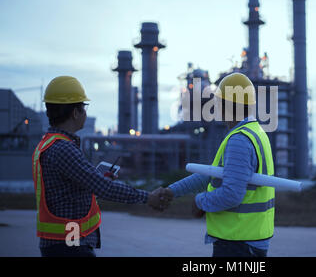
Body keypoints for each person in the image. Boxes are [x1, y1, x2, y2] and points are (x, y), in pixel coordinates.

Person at [32, 76, 171, 257]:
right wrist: (148, 197)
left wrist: (96, 183)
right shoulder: (64, 148)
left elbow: (66, 193)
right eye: (84, 108)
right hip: (70, 244)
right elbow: (105, 188)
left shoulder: (47, 144)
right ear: (75, 112)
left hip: (62, 242)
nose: (85, 113)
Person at [159, 72, 275, 257]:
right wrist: (172, 191)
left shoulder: (239, 140)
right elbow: (213, 174)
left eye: (219, 102)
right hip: (249, 238)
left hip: (239, 243)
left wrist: (200, 202)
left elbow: (232, 194)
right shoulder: (256, 132)